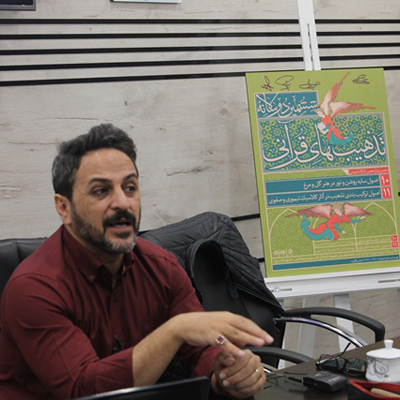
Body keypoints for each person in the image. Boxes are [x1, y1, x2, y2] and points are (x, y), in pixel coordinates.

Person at [0, 124, 272, 400]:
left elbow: (200, 350)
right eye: (101, 191)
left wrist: (227, 372)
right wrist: (174, 331)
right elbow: (84, 391)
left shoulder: (161, 267)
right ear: (64, 208)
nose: (122, 203)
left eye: (130, 188)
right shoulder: (33, 289)